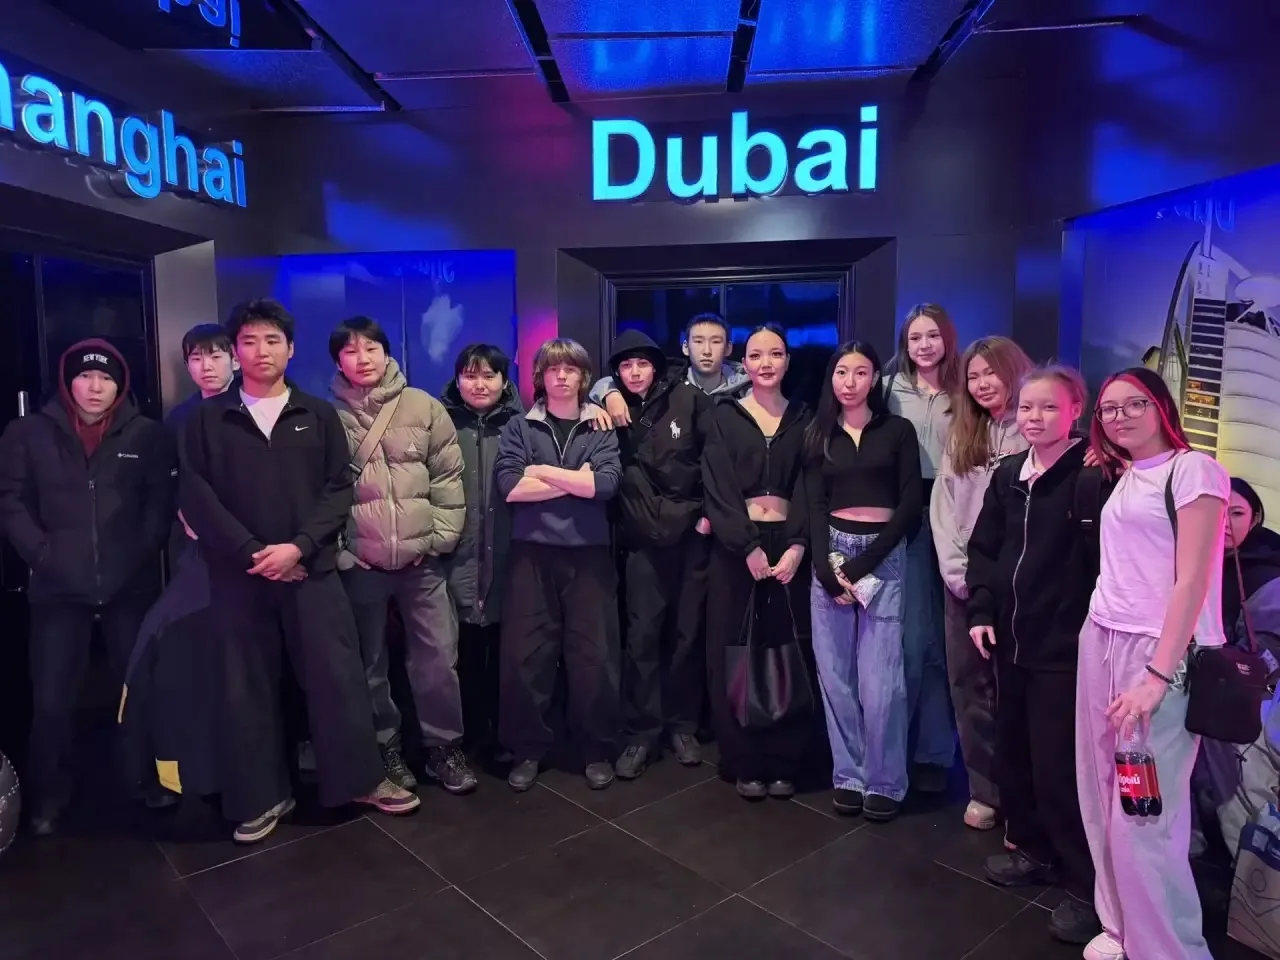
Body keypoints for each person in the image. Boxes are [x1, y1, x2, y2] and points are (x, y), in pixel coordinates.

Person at [179, 298, 417, 845]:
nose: (261, 351)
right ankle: (261, 795)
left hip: (311, 570)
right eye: (249, 342)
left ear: (290, 349)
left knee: (337, 678)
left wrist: (299, 549)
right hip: (238, 577)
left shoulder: (316, 414)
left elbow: (338, 489)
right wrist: (252, 553)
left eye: (272, 341)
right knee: (247, 687)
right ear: (236, 353)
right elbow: (196, 495)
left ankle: (359, 781)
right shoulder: (206, 421)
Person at [1078, 366, 1228, 960]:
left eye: (1134, 403)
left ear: (1161, 404)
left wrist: (1158, 676)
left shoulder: (1195, 470)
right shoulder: (1128, 473)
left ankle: (1168, 949)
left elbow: (1193, 581)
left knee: (1146, 809)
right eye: (1109, 409)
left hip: (1158, 652)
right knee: (1102, 791)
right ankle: (1121, 925)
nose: (1120, 416)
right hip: (1103, 637)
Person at [0, 339, 175, 834]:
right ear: (66, 381)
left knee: (139, 689)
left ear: (121, 386)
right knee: (52, 700)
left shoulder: (148, 435)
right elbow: (11, 502)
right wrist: (44, 556)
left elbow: (158, 508)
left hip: (130, 586)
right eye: (84, 376)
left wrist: (132, 559)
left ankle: (145, 779)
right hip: (57, 589)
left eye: (106, 378)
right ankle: (48, 795)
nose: (95, 387)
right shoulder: (27, 433)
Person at [965, 365, 1102, 945]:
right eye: (1026, 407)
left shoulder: (1093, 475)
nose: (1035, 417)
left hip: (1064, 648)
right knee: (1015, 751)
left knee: (1059, 768)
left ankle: (1085, 886)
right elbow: (985, 549)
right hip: (1010, 640)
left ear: (1075, 410)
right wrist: (980, 610)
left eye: (1049, 407)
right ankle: (1032, 849)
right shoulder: (1008, 475)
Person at [329, 317, 474, 795]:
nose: (362, 359)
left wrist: (437, 541)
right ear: (338, 361)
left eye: (371, 348)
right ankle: (384, 747)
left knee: (438, 660)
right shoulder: (326, 415)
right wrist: (342, 553)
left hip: (422, 564)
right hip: (361, 566)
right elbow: (316, 493)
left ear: (387, 353)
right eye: (351, 351)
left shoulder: (424, 406)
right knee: (367, 664)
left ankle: (443, 748)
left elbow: (448, 478)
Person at [494, 338, 623, 792]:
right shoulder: (520, 425)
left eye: (570, 369)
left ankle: (596, 749)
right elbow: (510, 486)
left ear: (583, 376)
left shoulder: (599, 425)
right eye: (553, 369)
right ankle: (527, 749)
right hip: (531, 554)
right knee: (526, 656)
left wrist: (541, 472)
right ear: (541, 376)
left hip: (589, 554)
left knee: (594, 656)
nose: (562, 376)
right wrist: (575, 480)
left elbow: (605, 484)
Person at [804, 341, 920, 821]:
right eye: (841, 372)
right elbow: (813, 504)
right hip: (830, 551)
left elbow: (910, 505)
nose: (849, 382)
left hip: (884, 555)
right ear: (831, 378)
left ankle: (886, 780)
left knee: (881, 680)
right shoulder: (819, 433)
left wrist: (862, 564)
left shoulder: (897, 431)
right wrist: (825, 569)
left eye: (861, 372)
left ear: (876, 378)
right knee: (835, 676)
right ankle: (848, 775)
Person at [703, 324, 817, 800]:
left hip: (789, 545)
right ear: (743, 363)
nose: (765, 363)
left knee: (787, 649)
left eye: (775, 354)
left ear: (788, 361)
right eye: (755, 355)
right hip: (736, 548)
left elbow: (812, 486)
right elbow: (717, 486)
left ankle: (785, 758)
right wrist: (746, 545)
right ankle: (743, 759)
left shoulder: (806, 417)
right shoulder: (723, 415)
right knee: (734, 650)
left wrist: (797, 545)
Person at [929, 336, 1032, 830]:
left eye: (991, 372)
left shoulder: (1035, 430)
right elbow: (944, 508)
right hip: (967, 584)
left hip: (1022, 587)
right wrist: (958, 574)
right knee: (970, 687)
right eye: (973, 376)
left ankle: (1025, 796)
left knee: (1018, 691)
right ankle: (985, 790)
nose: (982, 383)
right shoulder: (963, 434)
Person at [604, 330, 712, 780]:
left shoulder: (690, 401)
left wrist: (707, 517)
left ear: (656, 366)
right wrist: (605, 392)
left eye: (642, 364)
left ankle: (683, 727)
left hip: (690, 536)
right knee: (642, 640)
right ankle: (641, 733)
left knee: (687, 636)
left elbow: (713, 461)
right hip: (641, 542)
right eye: (625, 366)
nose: (634, 373)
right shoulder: (609, 408)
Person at [885, 303, 958, 792]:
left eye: (932, 335)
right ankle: (901, 746)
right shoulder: (886, 388)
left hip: (956, 509)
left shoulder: (965, 389)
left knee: (945, 637)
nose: (924, 345)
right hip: (906, 510)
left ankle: (937, 749)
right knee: (912, 636)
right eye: (915, 337)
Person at [442, 344, 523, 758]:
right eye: (470, 376)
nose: (480, 384)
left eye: (489, 376)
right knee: (460, 653)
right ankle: (464, 738)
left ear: (504, 382)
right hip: (454, 556)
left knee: (507, 653)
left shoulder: (523, 424)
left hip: (510, 555)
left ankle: (503, 736)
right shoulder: (439, 423)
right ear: (457, 380)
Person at [1196, 478, 1280, 857]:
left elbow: (1268, 653)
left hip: (1251, 701)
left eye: (1237, 512)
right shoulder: (1196, 559)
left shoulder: (1267, 572)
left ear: (1256, 516)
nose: (1225, 523)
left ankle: (1251, 867)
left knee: (1241, 782)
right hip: (1206, 689)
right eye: (1216, 512)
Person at [591, 313, 750, 426]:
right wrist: (611, 394)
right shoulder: (669, 381)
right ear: (685, 347)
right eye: (698, 341)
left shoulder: (745, 388)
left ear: (728, 348)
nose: (707, 351)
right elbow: (614, 380)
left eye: (715, 342)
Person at [166, 323, 238, 430]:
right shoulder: (179, 418)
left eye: (215, 357)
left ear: (236, 361)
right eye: (197, 359)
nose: (206, 367)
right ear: (187, 366)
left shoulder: (252, 408)